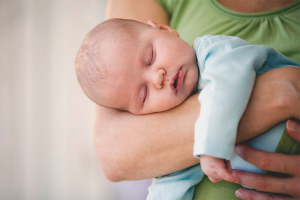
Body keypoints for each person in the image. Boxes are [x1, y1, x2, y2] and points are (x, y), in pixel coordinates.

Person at [94, 0, 300, 199]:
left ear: (165, 30)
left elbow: (227, 84)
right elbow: (170, 186)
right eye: (144, 94)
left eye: (150, 58)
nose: (157, 78)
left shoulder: (212, 51)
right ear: (139, 114)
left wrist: (211, 147)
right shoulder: (174, 120)